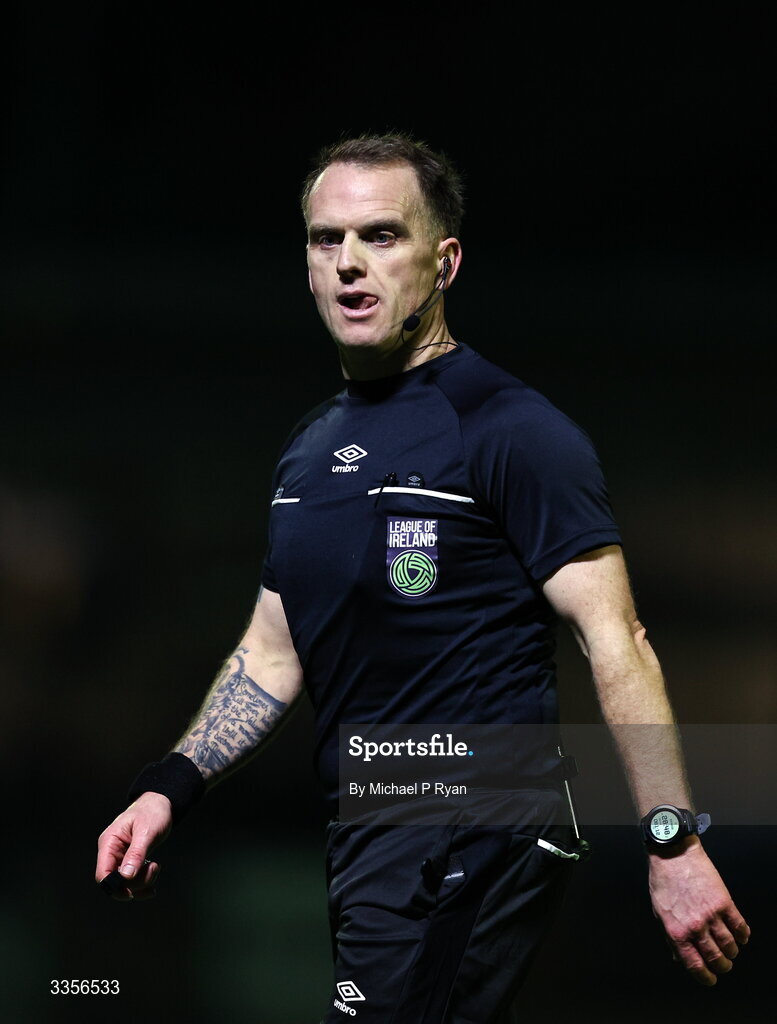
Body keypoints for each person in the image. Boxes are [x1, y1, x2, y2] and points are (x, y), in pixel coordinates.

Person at [96, 134, 750, 1021]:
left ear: (443, 261)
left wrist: (671, 841)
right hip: (373, 824)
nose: (350, 264)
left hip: (472, 818)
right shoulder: (309, 450)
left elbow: (615, 637)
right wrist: (168, 784)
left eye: (380, 236)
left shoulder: (510, 429)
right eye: (327, 240)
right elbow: (273, 647)